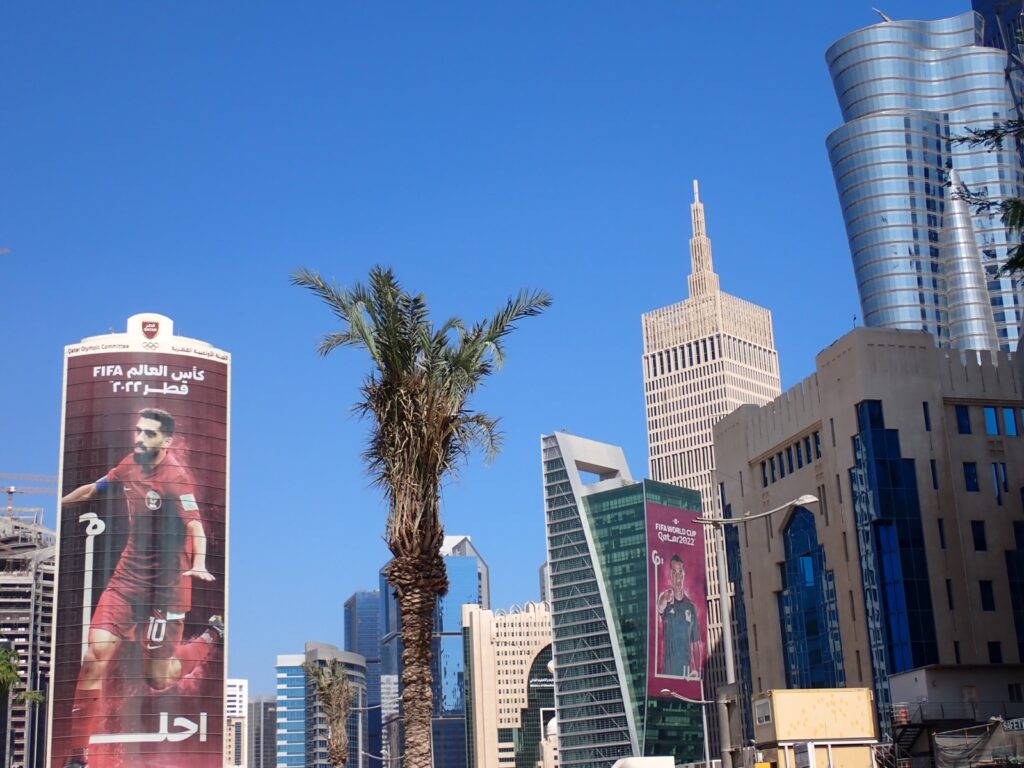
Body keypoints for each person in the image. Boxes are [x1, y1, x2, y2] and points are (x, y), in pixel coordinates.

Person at [60, 407, 222, 768]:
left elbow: (195, 527)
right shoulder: (129, 462)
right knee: (92, 660)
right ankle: (77, 756)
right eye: (138, 431)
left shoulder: (176, 478)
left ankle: (211, 635)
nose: (139, 438)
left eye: (148, 433)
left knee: (158, 678)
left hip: (167, 590)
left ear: (166, 440)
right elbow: (97, 487)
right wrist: (63, 502)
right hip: (126, 583)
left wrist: (197, 564)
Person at [656, 554, 700, 678]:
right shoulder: (666, 598)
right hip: (668, 673)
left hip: (685, 674)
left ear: (684, 574)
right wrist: (665, 599)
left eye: (680, 572)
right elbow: (660, 607)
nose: (677, 577)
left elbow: (696, 643)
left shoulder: (691, 607)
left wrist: (698, 670)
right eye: (674, 573)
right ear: (670, 575)